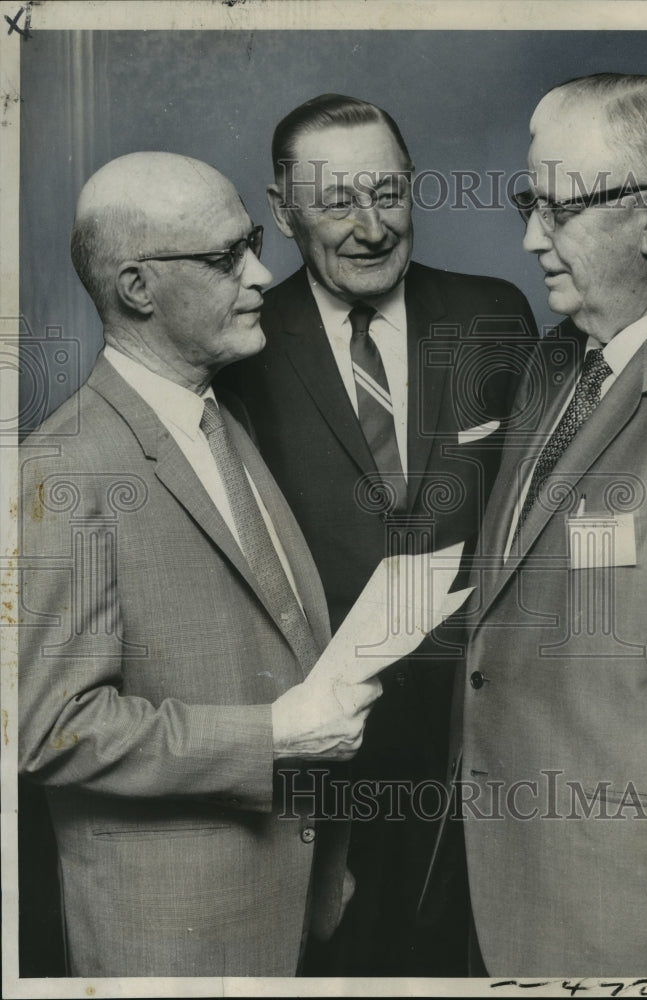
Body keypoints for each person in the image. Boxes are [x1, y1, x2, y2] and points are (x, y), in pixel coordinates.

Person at [17, 151, 383, 978]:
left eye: (251, 242)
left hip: (289, 913)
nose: (261, 274)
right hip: (171, 941)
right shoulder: (60, 470)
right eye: (226, 260)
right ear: (138, 289)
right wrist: (274, 735)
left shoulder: (222, 420)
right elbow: (46, 731)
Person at [449, 73, 647, 976]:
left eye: (553, 209)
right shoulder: (559, 358)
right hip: (500, 895)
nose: (527, 238)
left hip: (639, 933)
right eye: (527, 202)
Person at [221, 93, 537, 975]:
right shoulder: (240, 345)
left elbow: (539, 518)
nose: (371, 227)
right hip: (318, 773)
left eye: (388, 192)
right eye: (335, 203)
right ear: (282, 212)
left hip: (476, 758)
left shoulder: (496, 317)